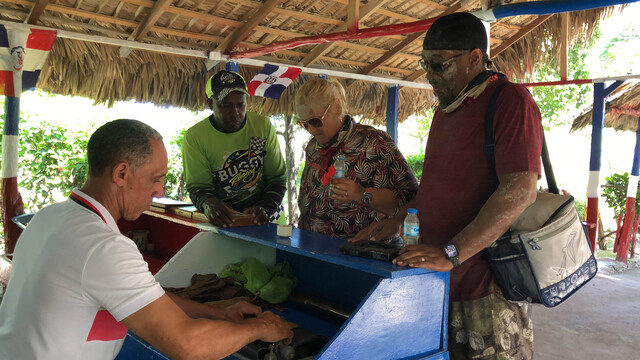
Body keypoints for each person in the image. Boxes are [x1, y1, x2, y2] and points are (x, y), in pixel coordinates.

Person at [0, 119, 293, 360]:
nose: (159, 190)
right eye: (155, 178)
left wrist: (219, 314)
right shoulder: (103, 247)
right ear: (122, 173)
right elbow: (188, 346)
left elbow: (148, 299)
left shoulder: (50, 217)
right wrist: (261, 327)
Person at [351, 13, 542, 359]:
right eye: (425, 64)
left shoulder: (510, 101)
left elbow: (520, 190)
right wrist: (400, 218)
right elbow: (439, 185)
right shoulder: (445, 112)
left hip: (485, 285)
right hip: (437, 281)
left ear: (474, 58)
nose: (429, 75)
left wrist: (452, 252)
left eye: (439, 65)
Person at [295, 78, 418, 240]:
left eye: (315, 121)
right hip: (313, 248)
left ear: (337, 107)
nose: (310, 130)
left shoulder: (374, 142)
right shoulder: (313, 147)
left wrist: (362, 194)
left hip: (362, 253)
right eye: (303, 124)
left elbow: (411, 200)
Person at [182, 70, 287, 227]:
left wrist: (265, 207)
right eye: (226, 106)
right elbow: (199, 187)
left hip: (269, 221)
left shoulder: (262, 126)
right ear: (210, 103)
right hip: (225, 223)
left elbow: (277, 178)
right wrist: (208, 203)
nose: (235, 112)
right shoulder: (195, 137)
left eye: (241, 105)